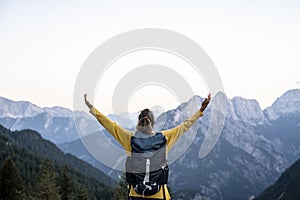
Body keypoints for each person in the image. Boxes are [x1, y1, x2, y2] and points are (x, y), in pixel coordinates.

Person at [84, 93, 211, 200]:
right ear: (153, 122)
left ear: (138, 121)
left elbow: (109, 124)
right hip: (159, 195)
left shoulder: (129, 138)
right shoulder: (165, 138)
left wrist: (91, 107)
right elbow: (185, 126)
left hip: (136, 194)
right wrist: (200, 111)